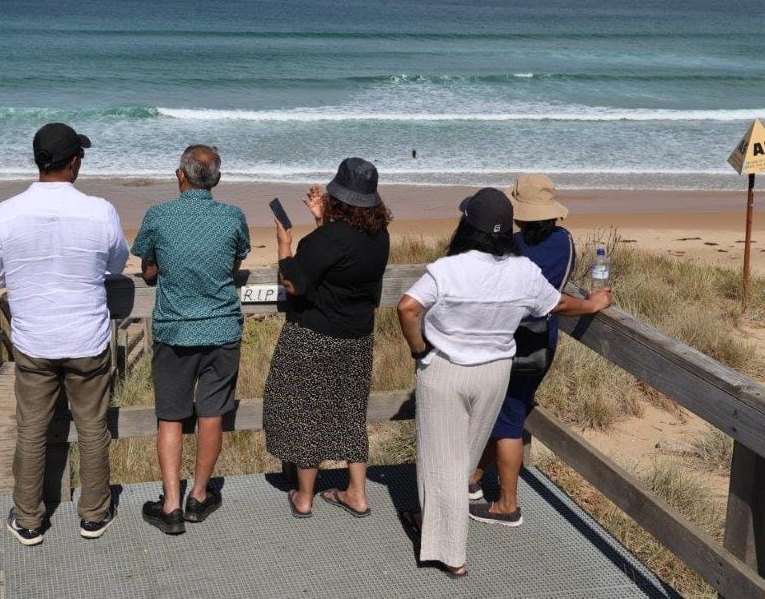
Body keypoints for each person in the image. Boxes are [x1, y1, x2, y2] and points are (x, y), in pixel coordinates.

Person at [396, 188, 610, 577]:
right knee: (464, 456)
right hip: (495, 372)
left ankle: (451, 553)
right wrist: (592, 305)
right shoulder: (522, 271)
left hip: (446, 370)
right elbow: (557, 304)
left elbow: (408, 307)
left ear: (467, 225)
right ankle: (434, 523)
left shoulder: (449, 268)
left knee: (440, 457)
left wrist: (418, 347)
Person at [0, 122, 129, 546]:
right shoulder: (100, 210)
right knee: (93, 427)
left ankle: (28, 519)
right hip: (88, 339)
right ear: (75, 162)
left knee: (32, 430)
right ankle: (94, 515)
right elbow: (117, 266)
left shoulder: (5, 212)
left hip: (34, 341)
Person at [131, 145, 250, 535]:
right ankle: (199, 496)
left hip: (175, 331)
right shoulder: (233, 217)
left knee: (171, 417)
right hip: (221, 330)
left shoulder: (159, 216)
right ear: (215, 178)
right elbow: (235, 264)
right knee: (211, 413)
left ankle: (170, 505)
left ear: (180, 176)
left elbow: (148, 272)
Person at [263, 158, 391, 519]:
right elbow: (338, 261)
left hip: (315, 336)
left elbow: (295, 283)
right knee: (351, 412)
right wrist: (321, 222)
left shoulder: (328, 239)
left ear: (339, 198)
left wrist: (284, 244)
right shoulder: (379, 236)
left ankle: (304, 497)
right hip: (358, 337)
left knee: (304, 412)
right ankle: (357, 494)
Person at [469, 174, 574, 527]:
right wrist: (591, 304)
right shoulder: (564, 243)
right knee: (502, 411)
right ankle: (472, 479)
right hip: (542, 340)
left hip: (506, 339)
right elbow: (554, 295)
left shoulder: (509, 246)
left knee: (507, 419)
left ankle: (507, 506)